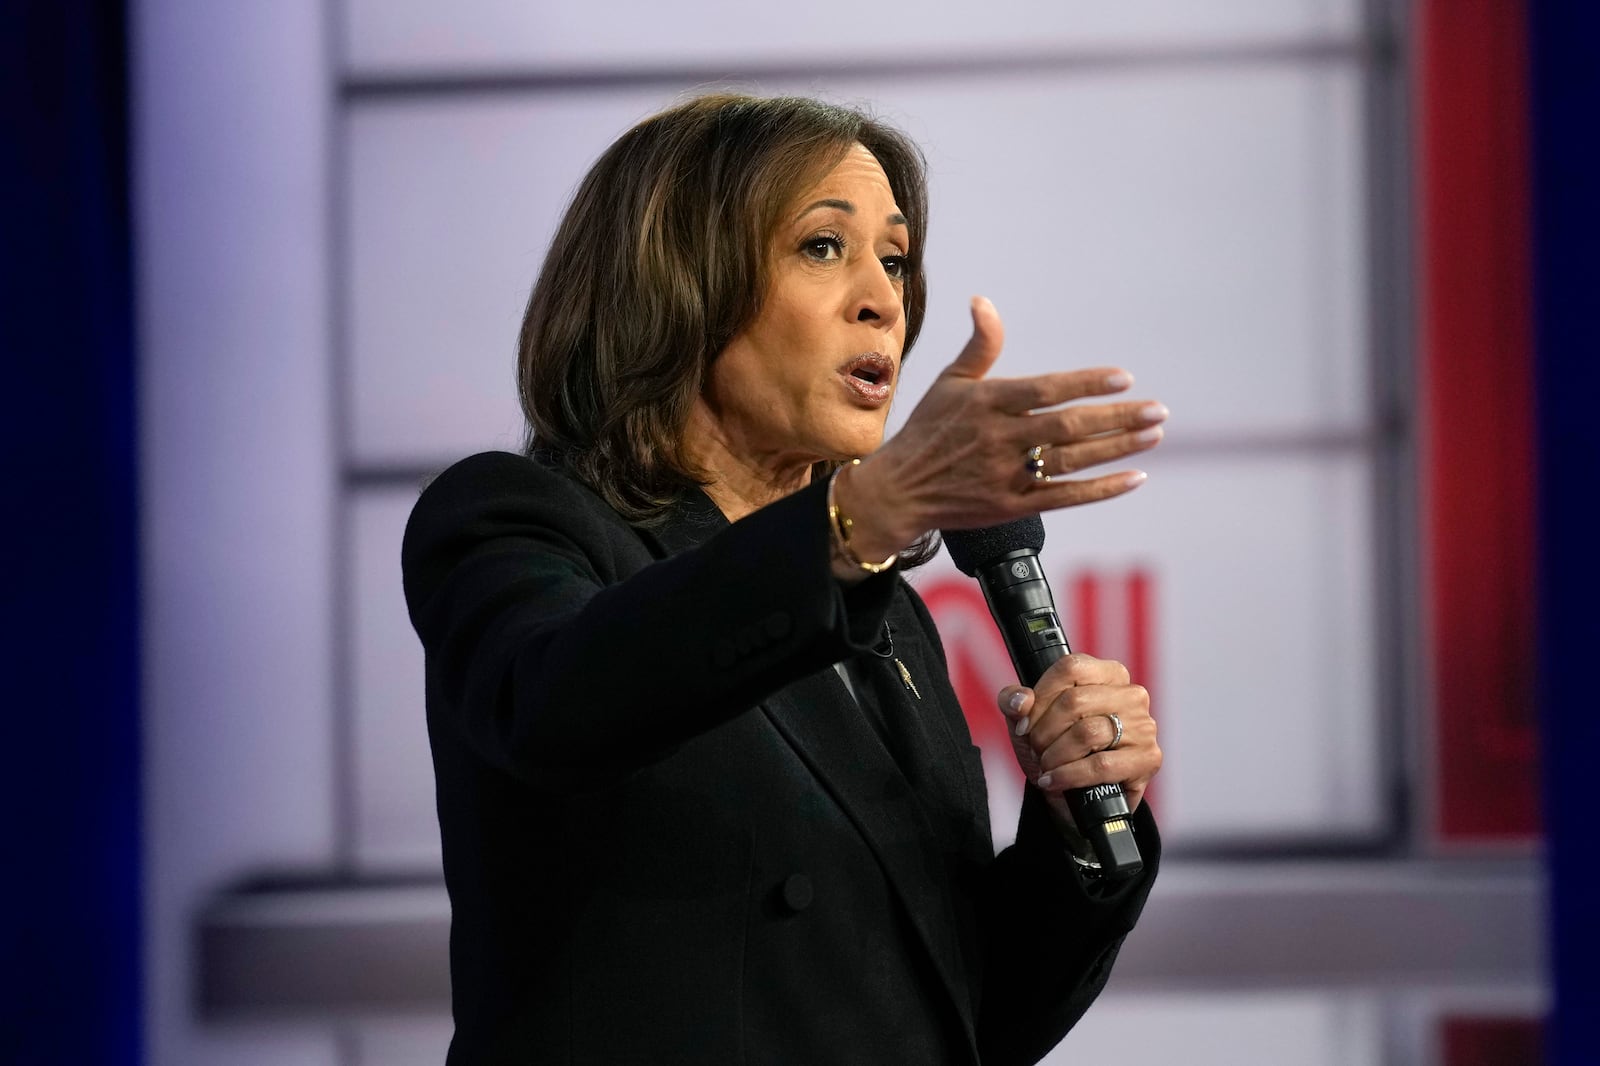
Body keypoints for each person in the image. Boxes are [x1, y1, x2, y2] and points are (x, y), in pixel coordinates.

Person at [402, 92, 1167, 1066]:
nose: (884, 298)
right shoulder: (513, 521)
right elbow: (557, 701)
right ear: (674, 283)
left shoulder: (884, 614)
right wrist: (859, 519)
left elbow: (955, 1022)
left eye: (892, 258)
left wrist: (1069, 828)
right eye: (822, 247)